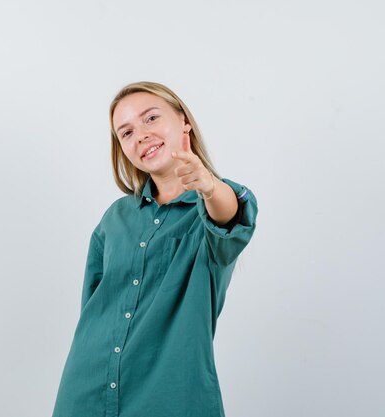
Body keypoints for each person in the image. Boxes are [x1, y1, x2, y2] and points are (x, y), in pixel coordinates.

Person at [51, 81, 258, 417]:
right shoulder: (115, 218)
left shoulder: (209, 209)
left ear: (183, 121)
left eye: (150, 118)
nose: (141, 135)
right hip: (86, 391)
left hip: (170, 397)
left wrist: (207, 185)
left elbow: (230, 216)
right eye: (126, 133)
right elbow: (94, 305)